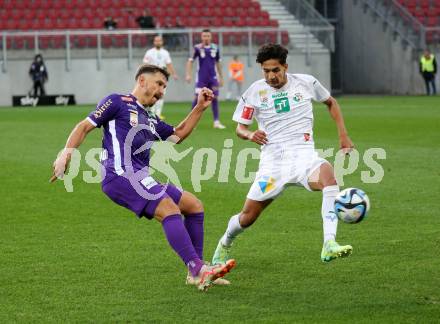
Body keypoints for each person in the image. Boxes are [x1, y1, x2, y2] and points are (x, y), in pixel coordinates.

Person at [50, 64, 235, 291]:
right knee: (169, 209)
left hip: (140, 176)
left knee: (194, 206)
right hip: (119, 174)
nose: (161, 91)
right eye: (159, 84)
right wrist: (65, 155)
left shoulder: (150, 117)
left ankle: (196, 271)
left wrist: (199, 108)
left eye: (164, 87)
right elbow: (84, 126)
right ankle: (198, 269)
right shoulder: (116, 102)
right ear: (141, 81)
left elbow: (176, 136)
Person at [211, 44, 355, 273]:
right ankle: (224, 244)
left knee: (329, 177)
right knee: (247, 217)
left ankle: (329, 242)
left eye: (275, 70)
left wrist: (343, 136)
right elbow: (240, 128)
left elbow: (331, 102)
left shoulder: (306, 82)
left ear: (285, 67)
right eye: (266, 71)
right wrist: (250, 134)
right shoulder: (255, 92)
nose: (271, 76)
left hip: (304, 157)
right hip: (273, 165)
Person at [185, 29, 226, 129]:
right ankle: (191, 122)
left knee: (215, 98)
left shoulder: (215, 48)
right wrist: (188, 74)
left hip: (213, 78)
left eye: (208, 36)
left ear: (211, 37)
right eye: (204, 36)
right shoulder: (197, 48)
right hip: (201, 78)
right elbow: (190, 61)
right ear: (201, 37)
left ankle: (216, 122)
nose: (206, 38)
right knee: (197, 99)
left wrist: (221, 77)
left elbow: (218, 63)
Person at [142, 35, 179, 120]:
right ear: (154, 42)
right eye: (156, 41)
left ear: (162, 42)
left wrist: (174, 74)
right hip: (152, 77)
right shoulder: (149, 52)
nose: (158, 42)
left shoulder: (165, 53)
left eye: (159, 41)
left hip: (162, 78)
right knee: (152, 94)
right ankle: (151, 112)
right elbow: (145, 64)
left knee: (161, 95)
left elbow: (169, 64)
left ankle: (158, 114)